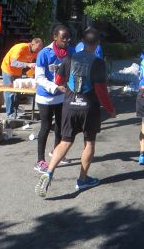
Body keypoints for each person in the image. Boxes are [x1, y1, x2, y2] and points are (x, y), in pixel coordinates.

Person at [35, 28, 116, 197]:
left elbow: (58, 80)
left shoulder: (70, 57)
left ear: (82, 42)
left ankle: (48, 172)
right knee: (89, 143)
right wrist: (110, 109)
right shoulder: (98, 62)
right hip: (88, 107)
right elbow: (101, 91)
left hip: (69, 105)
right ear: (97, 43)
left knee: (65, 141)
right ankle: (82, 179)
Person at [34, 25, 75, 173]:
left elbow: (74, 71)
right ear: (55, 37)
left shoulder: (71, 51)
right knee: (45, 127)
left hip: (62, 97)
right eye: (63, 38)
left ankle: (57, 153)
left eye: (68, 38)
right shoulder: (44, 53)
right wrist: (55, 87)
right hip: (45, 97)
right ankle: (40, 160)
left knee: (60, 126)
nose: (66, 41)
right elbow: (39, 78)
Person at [0, 38, 43, 117]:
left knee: (18, 91)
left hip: (18, 71)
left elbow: (39, 61)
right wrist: (28, 64)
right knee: (10, 92)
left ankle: (15, 110)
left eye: (39, 49)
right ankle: (10, 113)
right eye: (37, 49)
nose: (38, 51)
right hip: (8, 69)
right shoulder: (20, 48)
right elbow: (13, 63)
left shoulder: (36, 51)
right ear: (32, 44)